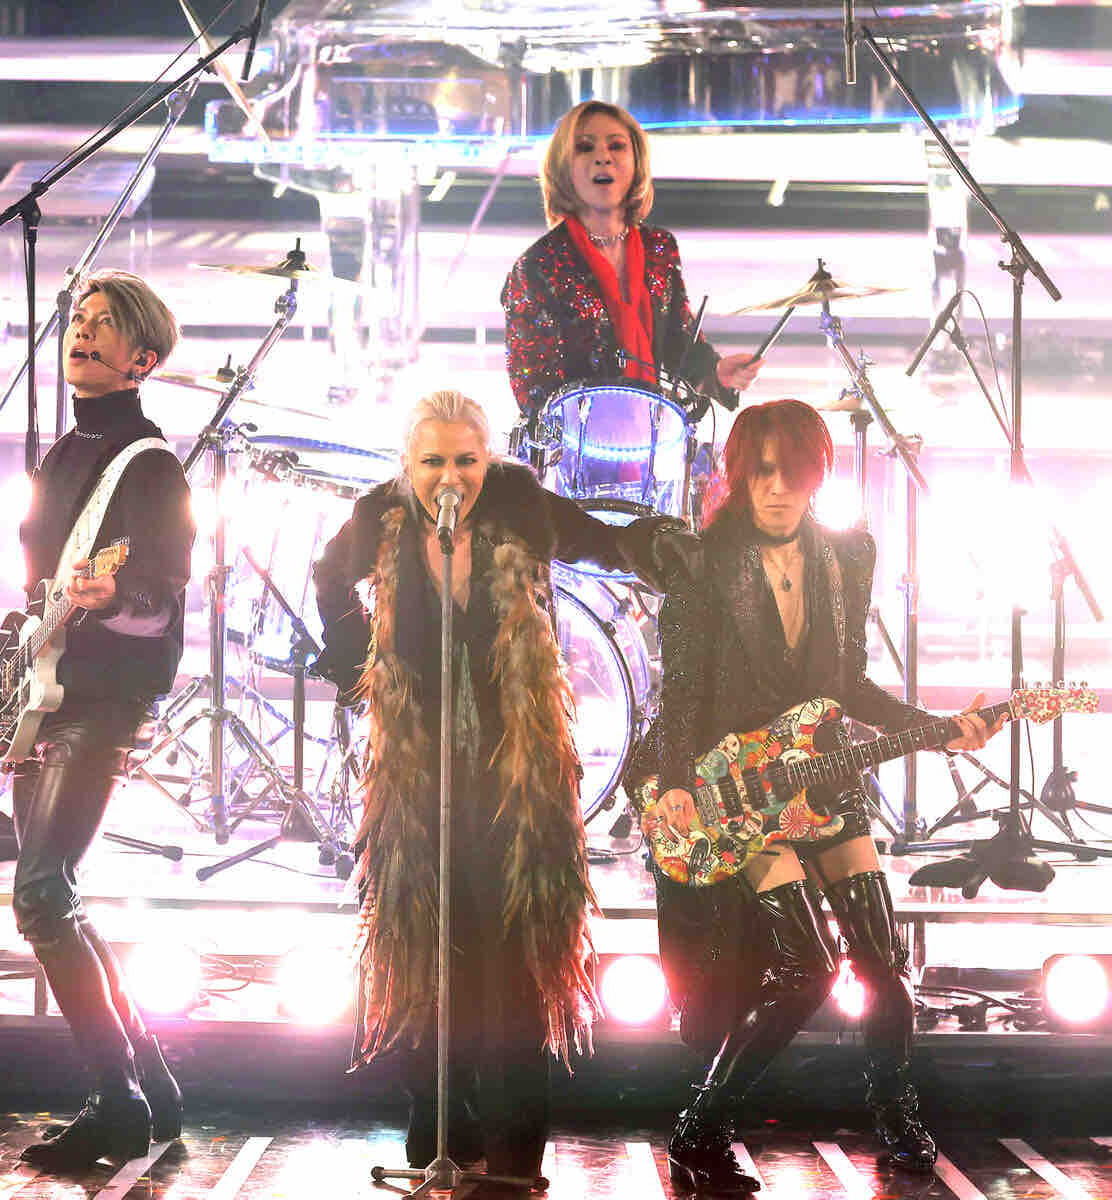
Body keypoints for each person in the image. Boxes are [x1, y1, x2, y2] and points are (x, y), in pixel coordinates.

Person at [644, 399, 1004, 1194]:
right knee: (807, 970)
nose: (778, 488)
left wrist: (937, 729)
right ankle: (701, 1128)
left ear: (817, 477)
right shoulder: (702, 566)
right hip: (741, 789)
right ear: (739, 476)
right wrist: (673, 784)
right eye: (763, 471)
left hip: (825, 779)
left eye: (794, 472)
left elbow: (848, 686)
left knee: (883, 963)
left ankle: (897, 1119)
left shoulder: (847, 555)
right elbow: (681, 697)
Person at [312, 389, 658, 1193]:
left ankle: (514, 1149)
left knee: (512, 956)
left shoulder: (520, 504)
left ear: (489, 458)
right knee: (427, 943)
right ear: (407, 465)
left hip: (514, 770)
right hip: (420, 770)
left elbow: (601, 542)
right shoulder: (380, 518)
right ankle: (442, 1126)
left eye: (465, 461)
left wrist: (674, 550)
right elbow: (328, 576)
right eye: (432, 462)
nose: (450, 479)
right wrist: (360, 659)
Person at [0, 270, 196, 1172]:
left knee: (41, 894)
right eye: (79, 319)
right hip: (49, 692)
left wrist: (113, 595)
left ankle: (116, 1103)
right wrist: (0, 686)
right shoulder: (60, 456)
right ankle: (151, 1085)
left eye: (105, 324)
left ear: (142, 359)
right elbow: (38, 599)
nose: (82, 333)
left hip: (103, 700)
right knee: (58, 894)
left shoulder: (151, 466)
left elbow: (161, 604)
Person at [501, 99, 762, 420]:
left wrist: (717, 372)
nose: (602, 157)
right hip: (577, 441)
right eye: (585, 147)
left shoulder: (659, 248)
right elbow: (533, 390)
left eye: (616, 146)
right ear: (563, 167)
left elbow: (678, 343)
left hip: (653, 433)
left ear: (636, 162)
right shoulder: (537, 266)